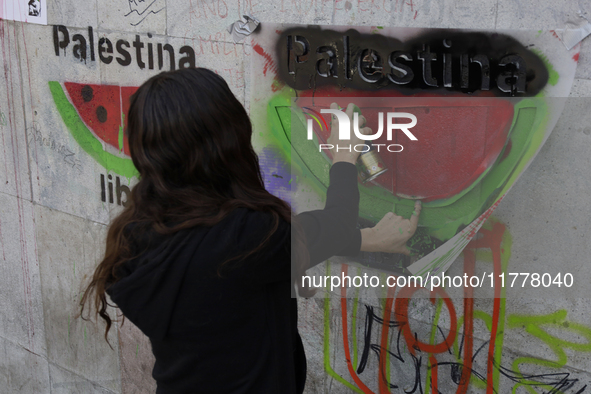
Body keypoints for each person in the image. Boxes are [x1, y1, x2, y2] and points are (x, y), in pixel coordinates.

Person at [80, 67, 421, 393]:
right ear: (229, 140)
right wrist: (344, 156)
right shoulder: (247, 237)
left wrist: (366, 239)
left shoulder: (136, 232)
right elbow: (333, 224)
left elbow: (274, 251)